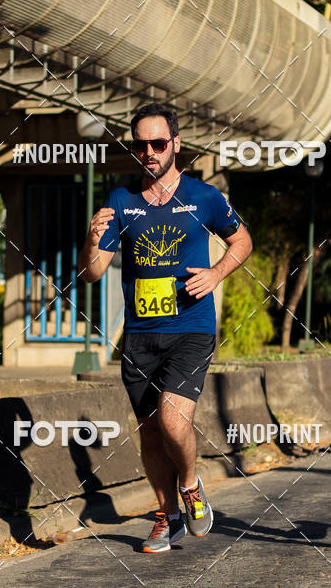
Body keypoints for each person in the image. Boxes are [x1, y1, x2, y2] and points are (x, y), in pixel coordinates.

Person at [77, 102, 253, 553]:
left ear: (176, 144)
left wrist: (215, 274)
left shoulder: (204, 196)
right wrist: (92, 239)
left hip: (192, 328)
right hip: (139, 335)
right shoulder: (121, 201)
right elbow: (94, 273)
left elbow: (243, 240)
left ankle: (191, 487)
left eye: (158, 143)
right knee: (150, 430)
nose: (149, 152)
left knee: (174, 420)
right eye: (140, 145)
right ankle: (167, 515)